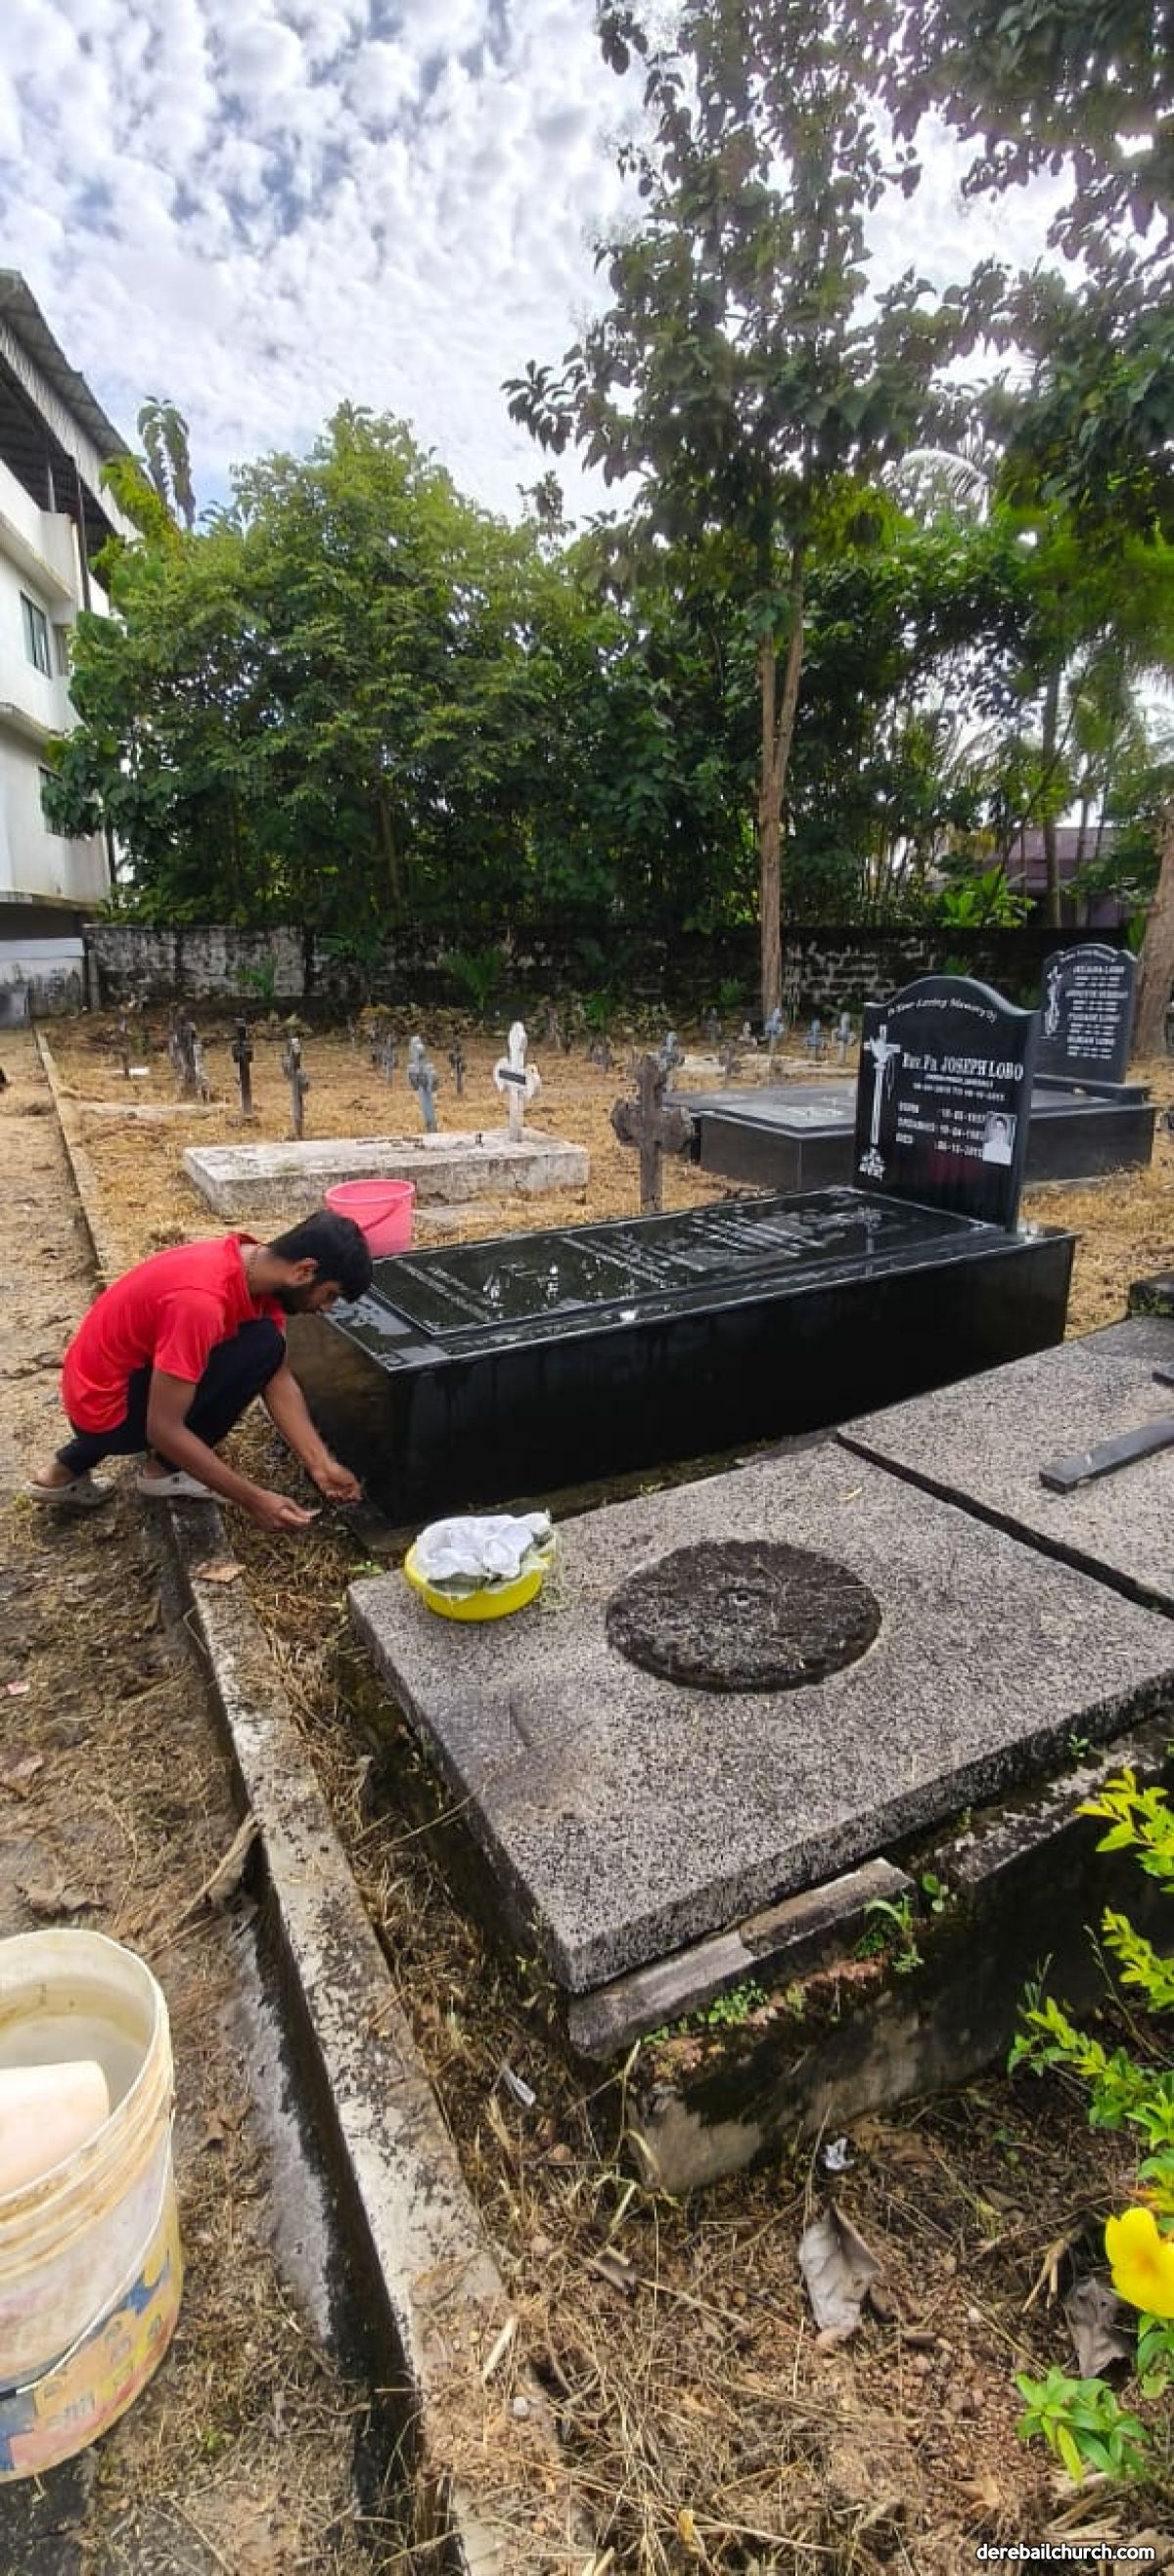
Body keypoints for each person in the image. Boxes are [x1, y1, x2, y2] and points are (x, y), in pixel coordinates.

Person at [27, 1212, 372, 1534]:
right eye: (330, 1295)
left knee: (263, 1346)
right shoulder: (200, 1303)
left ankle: (64, 1470)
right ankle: (164, 1472)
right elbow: (164, 1429)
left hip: (97, 1388)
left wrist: (320, 1464)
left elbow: (276, 1376)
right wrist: (254, 1499)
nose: (325, 1308)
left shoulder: (248, 1264)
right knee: (260, 1346)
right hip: (105, 1415)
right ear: (304, 1271)